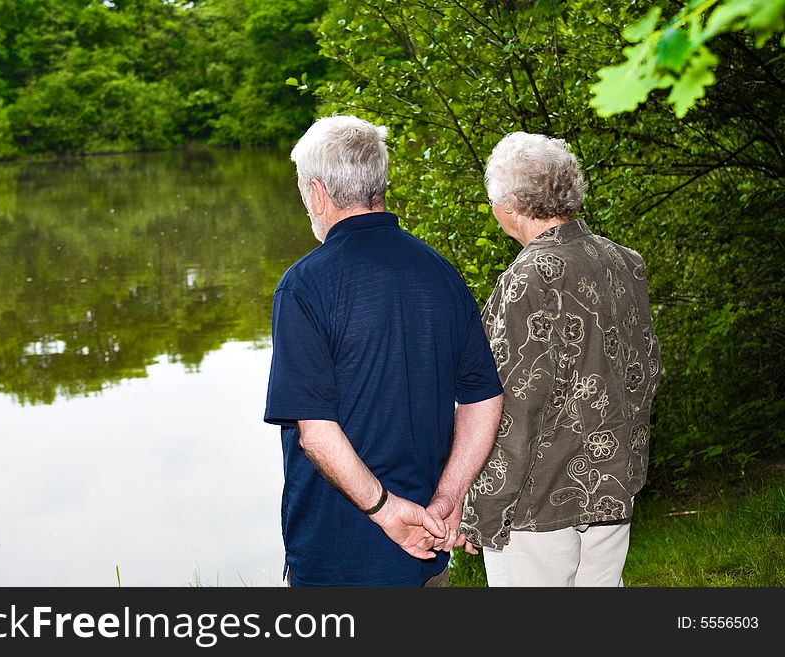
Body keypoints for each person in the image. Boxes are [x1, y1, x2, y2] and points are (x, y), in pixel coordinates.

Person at [264, 115, 504, 587]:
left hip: (337, 556)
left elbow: (315, 432)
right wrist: (449, 497)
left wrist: (387, 510)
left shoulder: (303, 286)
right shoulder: (440, 272)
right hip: (426, 546)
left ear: (317, 193)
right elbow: (482, 398)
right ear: (379, 185)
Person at [460, 131, 661, 587]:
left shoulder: (527, 280)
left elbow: (510, 407)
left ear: (510, 204)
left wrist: (483, 509)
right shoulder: (624, 261)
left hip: (536, 504)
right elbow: (645, 370)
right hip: (612, 483)